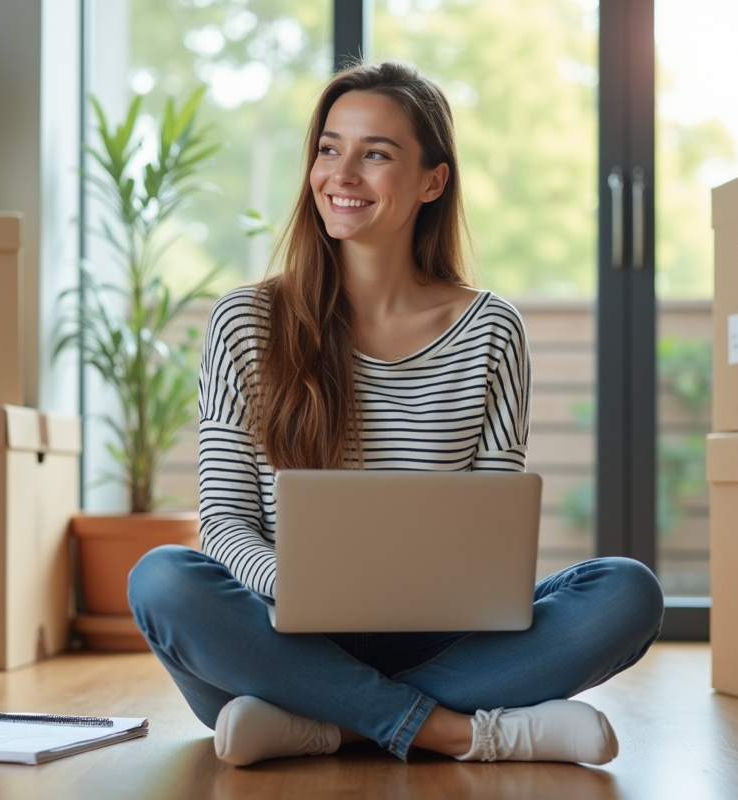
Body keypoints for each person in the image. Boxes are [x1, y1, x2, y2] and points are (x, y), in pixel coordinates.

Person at [128, 60, 664, 767]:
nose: (341, 175)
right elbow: (225, 524)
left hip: (437, 635)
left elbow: (490, 534)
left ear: (432, 181)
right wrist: (304, 589)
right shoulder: (246, 322)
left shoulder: (490, 330)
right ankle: (458, 730)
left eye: (375, 154)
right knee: (162, 579)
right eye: (329, 148)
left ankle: (321, 723)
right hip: (279, 635)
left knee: (628, 591)